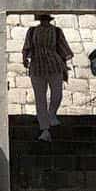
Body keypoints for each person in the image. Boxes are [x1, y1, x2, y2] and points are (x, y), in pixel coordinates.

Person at [22, 13, 73, 142]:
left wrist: (64, 66)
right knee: (40, 98)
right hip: (37, 66)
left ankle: (51, 114)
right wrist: (25, 59)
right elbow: (26, 47)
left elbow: (63, 49)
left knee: (57, 93)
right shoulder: (32, 31)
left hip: (54, 65)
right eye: (42, 19)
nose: (44, 21)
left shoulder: (56, 31)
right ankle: (44, 129)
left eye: (46, 19)